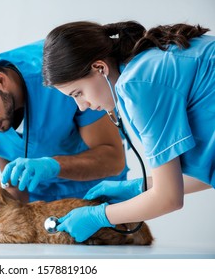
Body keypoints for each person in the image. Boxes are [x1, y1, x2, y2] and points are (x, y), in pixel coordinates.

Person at [42, 21, 214, 242]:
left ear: (100, 68)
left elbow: (169, 198)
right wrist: (139, 187)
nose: (81, 106)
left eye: (78, 93)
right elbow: (207, 173)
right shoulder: (148, 64)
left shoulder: (136, 85)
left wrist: (98, 216)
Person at [0, 40, 128, 210]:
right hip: (36, 209)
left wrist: (54, 166)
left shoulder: (60, 77)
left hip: (96, 197)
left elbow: (113, 158)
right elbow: (11, 190)